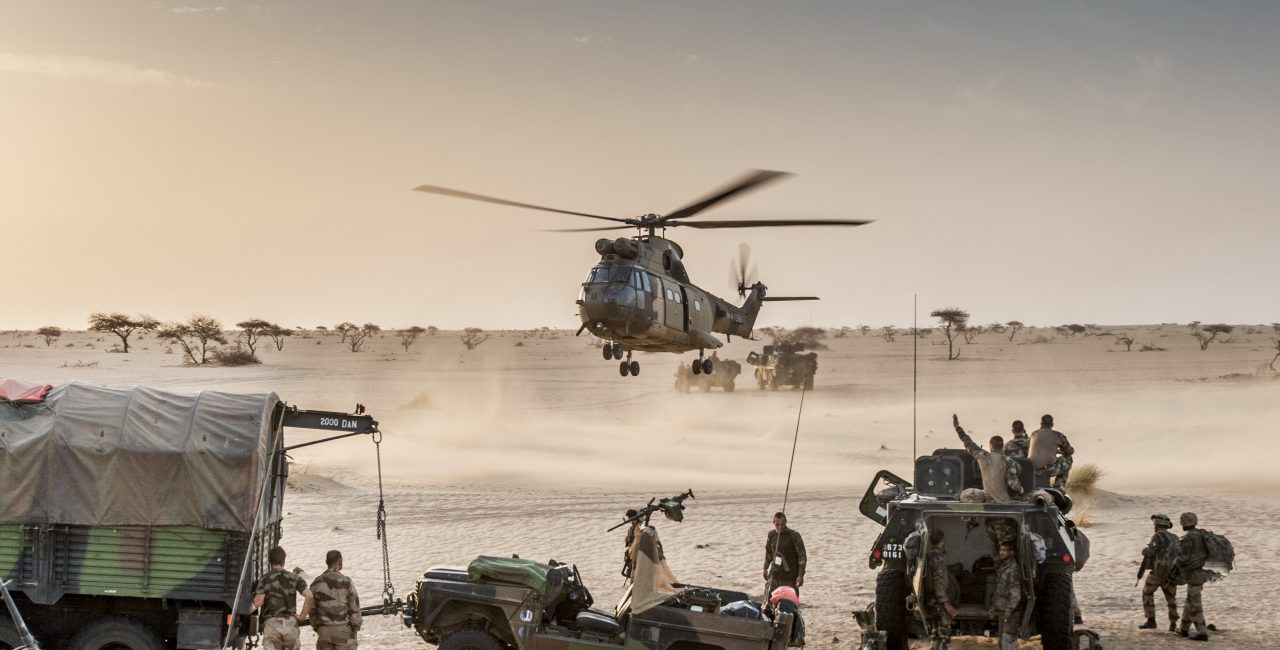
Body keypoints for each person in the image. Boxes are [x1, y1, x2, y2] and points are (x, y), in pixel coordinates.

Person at [952, 414, 1023, 503]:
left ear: (990, 446)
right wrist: (1020, 490)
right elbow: (1013, 484)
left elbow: (968, 442)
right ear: (1002, 447)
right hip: (1004, 501)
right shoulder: (1008, 461)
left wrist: (957, 427)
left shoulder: (982, 456)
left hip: (988, 501)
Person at [253, 546, 313, 650]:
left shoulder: (265, 579)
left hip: (272, 625)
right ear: (283, 561)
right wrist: (302, 616)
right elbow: (309, 595)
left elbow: (258, 603)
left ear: (270, 561)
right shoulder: (295, 578)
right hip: (290, 624)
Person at [310, 550, 362, 650]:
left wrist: (319, 628)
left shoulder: (316, 583)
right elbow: (355, 608)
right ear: (339, 562)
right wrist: (355, 629)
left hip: (324, 632)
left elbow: (312, 611)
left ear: (327, 562)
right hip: (344, 631)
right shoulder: (347, 582)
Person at [1173, 512, 1211, 641]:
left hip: (1194, 574)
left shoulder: (1188, 537)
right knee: (1191, 601)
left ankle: (1202, 632)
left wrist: (1176, 556)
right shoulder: (1201, 534)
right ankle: (1183, 629)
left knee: (1195, 604)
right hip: (1202, 573)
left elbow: (1184, 558)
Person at [1139, 514, 1180, 632]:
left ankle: (1151, 620)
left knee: (1147, 592)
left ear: (1157, 524)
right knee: (1171, 597)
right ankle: (1173, 623)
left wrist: (1145, 551)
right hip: (1172, 572)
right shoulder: (1175, 537)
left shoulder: (1157, 536)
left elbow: (1150, 552)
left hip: (1158, 572)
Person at [989, 541, 1023, 650]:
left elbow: (1016, 594)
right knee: (1001, 642)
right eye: (1000, 550)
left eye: (1004, 550)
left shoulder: (1013, 568)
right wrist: (993, 607)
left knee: (1008, 642)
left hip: (1011, 613)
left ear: (1011, 552)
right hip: (1003, 611)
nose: (1001, 553)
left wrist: (1009, 610)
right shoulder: (1003, 567)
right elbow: (999, 590)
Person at [924, 530, 954, 650]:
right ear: (942, 541)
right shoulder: (937, 558)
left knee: (935, 630)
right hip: (938, 600)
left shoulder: (929, 555)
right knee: (944, 632)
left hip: (930, 598)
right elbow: (939, 582)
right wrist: (946, 603)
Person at [763, 512, 806, 595]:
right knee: (769, 595)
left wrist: (800, 575)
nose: (780, 527)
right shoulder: (771, 535)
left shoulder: (794, 536)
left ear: (786, 523)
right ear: (773, 523)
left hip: (790, 575)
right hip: (775, 573)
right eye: (777, 524)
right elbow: (768, 553)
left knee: (789, 599)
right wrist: (765, 568)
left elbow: (802, 557)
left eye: (782, 524)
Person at [1029, 414, 1074, 488]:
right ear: (1052, 424)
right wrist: (1068, 450)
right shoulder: (1057, 435)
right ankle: (1059, 485)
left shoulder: (1033, 434)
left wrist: (1055, 451)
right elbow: (1068, 451)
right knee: (1068, 459)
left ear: (1041, 424)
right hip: (1048, 470)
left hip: (1032, 469)